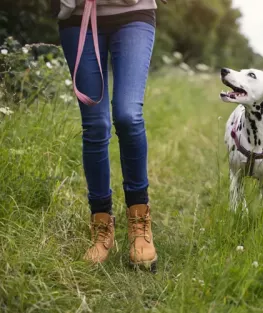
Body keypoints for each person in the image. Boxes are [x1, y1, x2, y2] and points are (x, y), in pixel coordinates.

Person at [53, 0, 167, 271]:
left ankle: (139, 223)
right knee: (95, 125)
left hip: (133, 12)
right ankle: (101, 224)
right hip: (78, 16)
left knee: (128, 115)